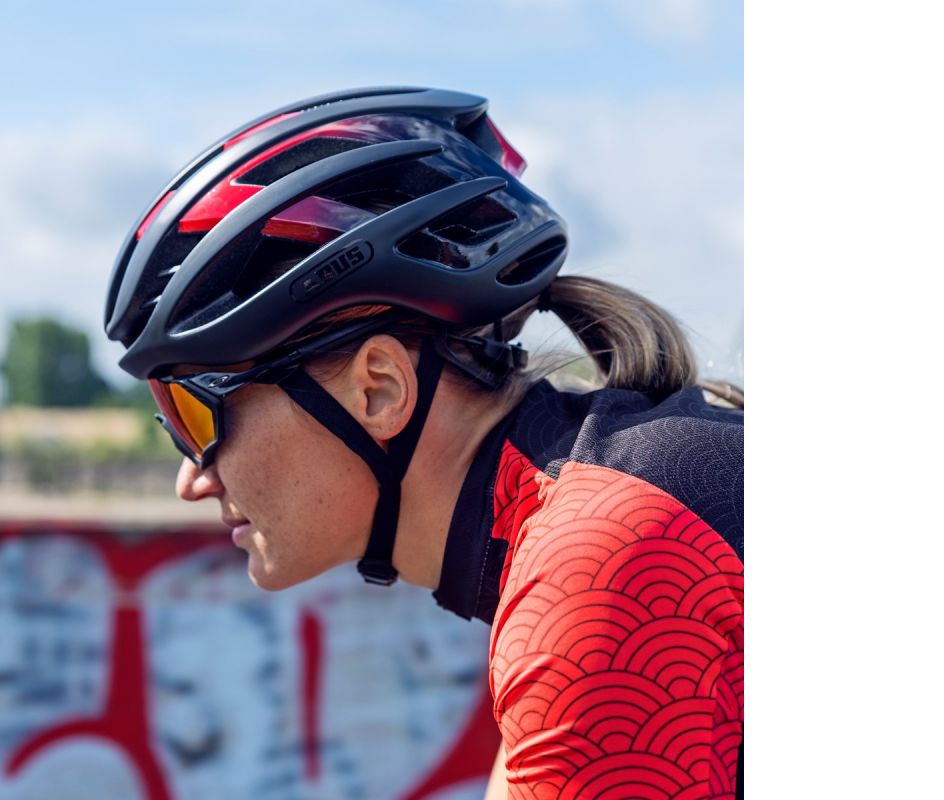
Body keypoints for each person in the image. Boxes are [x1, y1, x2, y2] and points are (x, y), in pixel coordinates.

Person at [103, 87, 743, 800]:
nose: (191, 479)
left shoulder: (599, 570)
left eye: (196, 414)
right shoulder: (581, 517)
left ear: (378, 388)